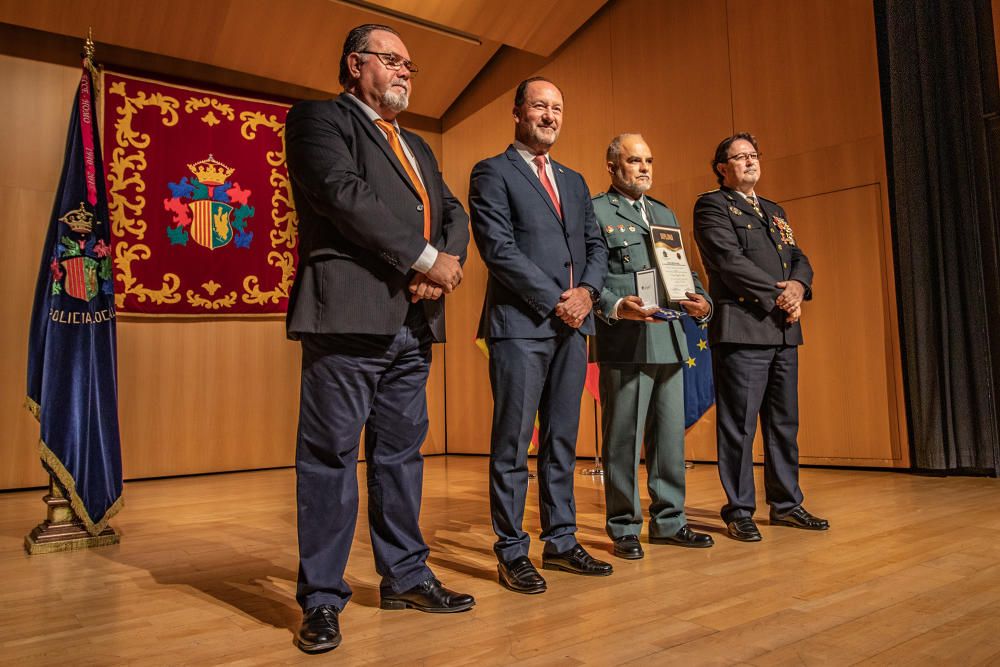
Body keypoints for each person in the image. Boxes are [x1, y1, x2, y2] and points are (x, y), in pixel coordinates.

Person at [284, 23, 473, 654]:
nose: (404, 72)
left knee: (400, 457)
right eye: (392, 60)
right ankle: (321, 599)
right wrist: (423, 260)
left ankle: (406, 576)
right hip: (347, 316)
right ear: (354, 65)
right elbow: (345, 197)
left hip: (412, 323)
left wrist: (442, 266)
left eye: (409, 66)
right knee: (332, 457)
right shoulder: (318, 121)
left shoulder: (417, 144)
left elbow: (452, 212)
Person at [469, 77, 611, 595]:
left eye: (557, 107)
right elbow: (498, 249)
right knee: (512, 444)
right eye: (539, 106)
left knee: (562, 440)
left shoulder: (574, 180)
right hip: (521, 327)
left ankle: (562, 540)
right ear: (517, 112)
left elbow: (595, 245)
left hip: (575, 327)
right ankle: (511, 551)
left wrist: (588, 294)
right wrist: (558, 299)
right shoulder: (491, 172)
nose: (549, 116)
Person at [692, 132, 829, 543]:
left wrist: (799, 288)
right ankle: (739, 509)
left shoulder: (774, 210)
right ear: (722, 168)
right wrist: (780, 295)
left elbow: (799, 257)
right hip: (743, 329)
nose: (751, 162)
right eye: (740, 157)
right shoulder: (712, 205)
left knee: (784, 424)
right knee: (739, 426)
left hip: (783, 330)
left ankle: (786, 504)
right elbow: (729, 263)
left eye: (754, 155)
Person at [590, 133, 715, 560]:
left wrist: (702, 299)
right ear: (612, 167)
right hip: (627, 339)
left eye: (648, 160)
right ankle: (624, 525)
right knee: (623, 439)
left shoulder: (663, 212)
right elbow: (591, 276)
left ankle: (670, 521)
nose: (643, 168)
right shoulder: (596, 211)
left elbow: (681, 269)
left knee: (668, 440)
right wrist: (614, 304)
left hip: (671, 336)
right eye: (633, 160)